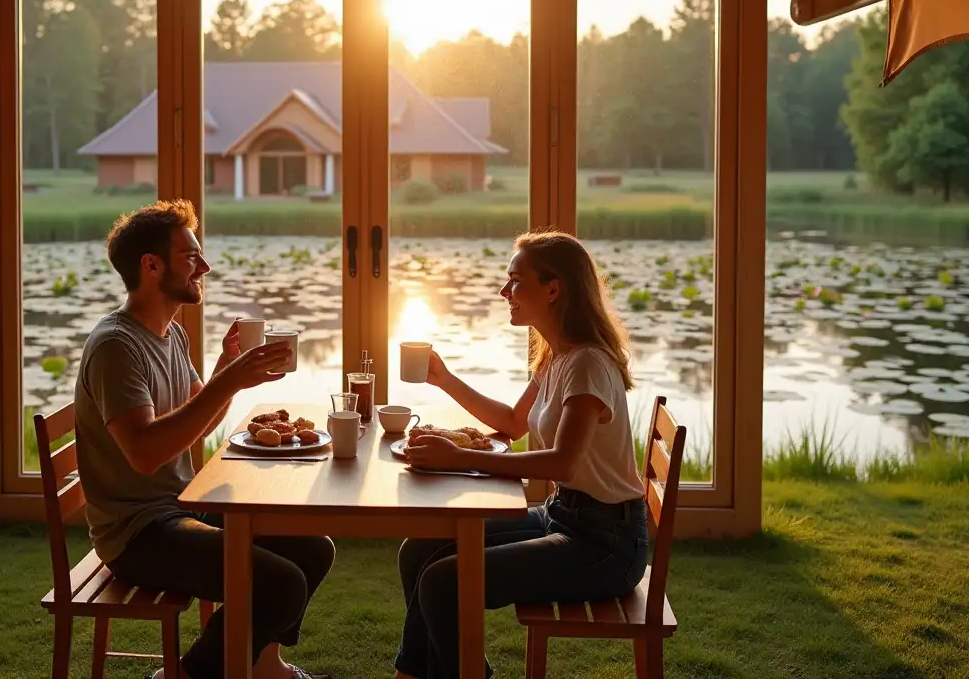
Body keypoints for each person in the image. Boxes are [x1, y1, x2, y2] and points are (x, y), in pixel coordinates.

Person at [74, 199, 334, 679]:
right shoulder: (116, 346)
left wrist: (225, 372)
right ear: (151, 266)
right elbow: (146, 453)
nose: (205, 267)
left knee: (312, 547)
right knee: (278, 582)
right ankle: (184, 676)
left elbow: (197, 417)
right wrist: (228, 381)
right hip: (136, 532)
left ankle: (265, 668)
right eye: (191, 257)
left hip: (180, 505)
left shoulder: (169, 333)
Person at [395, 230, 648, 679]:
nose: (504, 291)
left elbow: (560, 463)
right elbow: (514, 423)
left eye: (515, 280)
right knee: (419, 552)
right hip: (562, 515)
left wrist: (459, 457)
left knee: (444, 582)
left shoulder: (588, 364)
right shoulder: (557, 356)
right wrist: (444, 379)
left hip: (605, 543)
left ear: (553, 289)